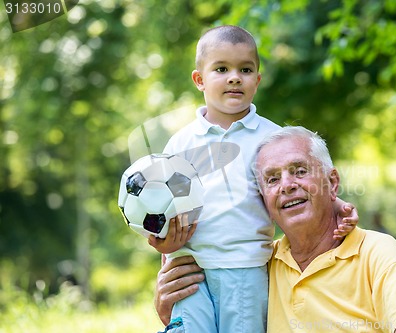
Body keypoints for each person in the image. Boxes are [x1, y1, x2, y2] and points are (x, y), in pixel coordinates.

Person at [148, 26, 359, 333]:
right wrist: (159, 239)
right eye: (222, 69)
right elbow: (160, 201)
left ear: (257, 81)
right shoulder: (181, 143)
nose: (235, 77)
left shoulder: (270, 138)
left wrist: (338, 205)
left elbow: (301, 182)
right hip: (187, 265)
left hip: (244, 267)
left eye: (245, 69)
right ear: (199, 80)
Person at [156, 126, 396, 333]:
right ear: (263, 202)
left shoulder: (377, 253)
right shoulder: (262, 265)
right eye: (271, 179)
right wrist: (170, 313)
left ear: (332, 183)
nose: (287, 185)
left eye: (300, 171)